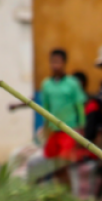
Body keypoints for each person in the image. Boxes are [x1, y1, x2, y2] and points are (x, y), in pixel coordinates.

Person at [28, 49, 87, 186]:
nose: (55, 65)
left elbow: (79, 106)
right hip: (53, 130)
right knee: (51, 165)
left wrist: (81, 128)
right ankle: (58, 195)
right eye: (53, 62)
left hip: (69, 130)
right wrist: (46, 128)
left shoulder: (72, 84)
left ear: (64, 63)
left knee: (63, 164)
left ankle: (68, 195)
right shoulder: (46, 84)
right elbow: (46, 108)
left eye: (58, 62)